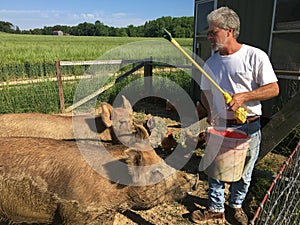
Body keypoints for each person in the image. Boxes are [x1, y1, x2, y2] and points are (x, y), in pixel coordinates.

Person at [190, 6, 279, 225]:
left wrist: (245, 96)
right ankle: (215, 208)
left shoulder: (254, 56)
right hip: (220, 126)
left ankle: (236, 207)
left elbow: (273, 88)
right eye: (208, 32)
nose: (209, 37)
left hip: (248, 126)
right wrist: (209, 112)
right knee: (215, 170)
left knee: (244, 172)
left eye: (213, 32)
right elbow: (205, 94)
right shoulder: (211, 63)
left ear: (229, 30)